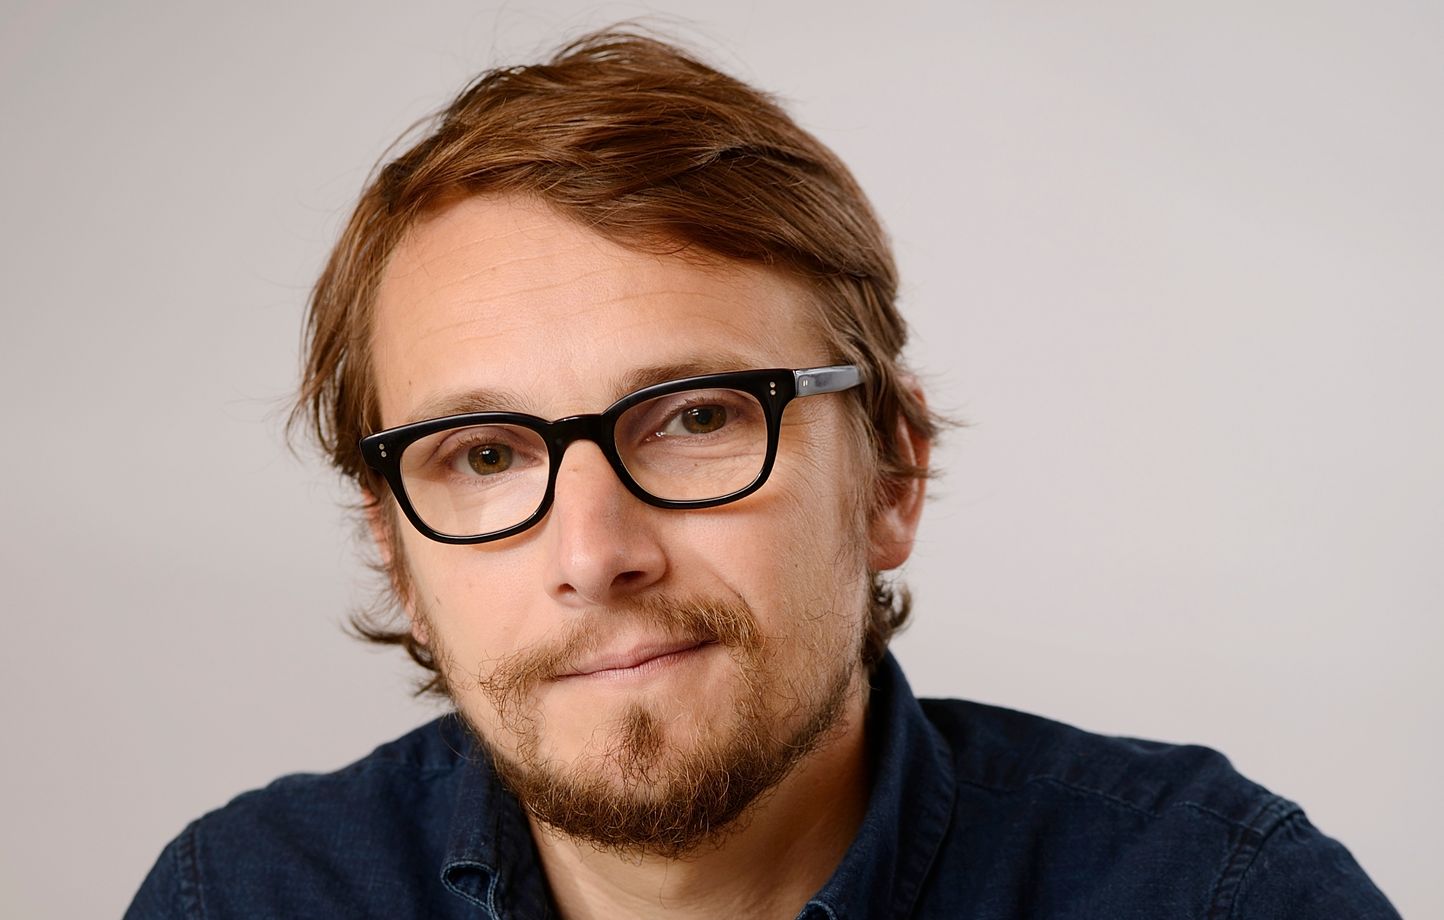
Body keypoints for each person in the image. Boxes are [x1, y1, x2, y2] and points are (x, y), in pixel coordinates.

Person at [126, 29, 1399, 920]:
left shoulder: (1215, 891)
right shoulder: (234, 895)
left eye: (693, 417)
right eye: (487, 453)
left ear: (891, 471)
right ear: (397, 551)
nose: (591, 551)